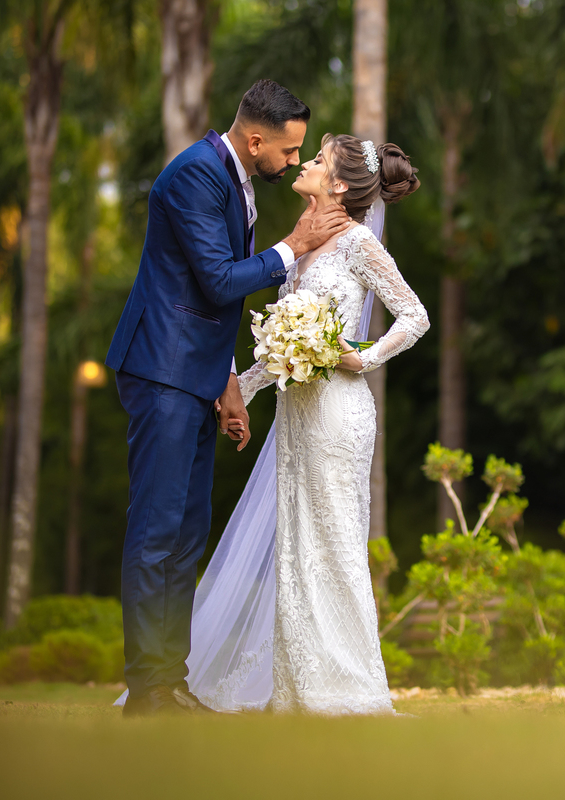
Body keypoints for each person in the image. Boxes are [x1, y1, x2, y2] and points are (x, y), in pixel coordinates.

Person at [105, 79, 350, 716]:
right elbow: (217, 282)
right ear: (256, 140)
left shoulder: (234, 178)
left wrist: (229, 380)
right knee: (156, 531)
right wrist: (294, 245)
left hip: (196, 373)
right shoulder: (195, 174)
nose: (294, 162)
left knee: (187, 534)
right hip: (162, 371)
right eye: (289, 151)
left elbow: (205, 299)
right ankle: (146, 690)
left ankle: (171, 682)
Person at [233, 133, 428, 714]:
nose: (306, 164)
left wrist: (363, 358)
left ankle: (350, 688)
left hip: (338, 415)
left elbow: (414, 316)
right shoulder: (302, 243)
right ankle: (298, 688)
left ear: (339, 185)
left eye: (317, 161)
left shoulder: (360, 243)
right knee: (298, 545)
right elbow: (283, 344)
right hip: (295, 414)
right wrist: (240, 391)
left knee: (335, 544)